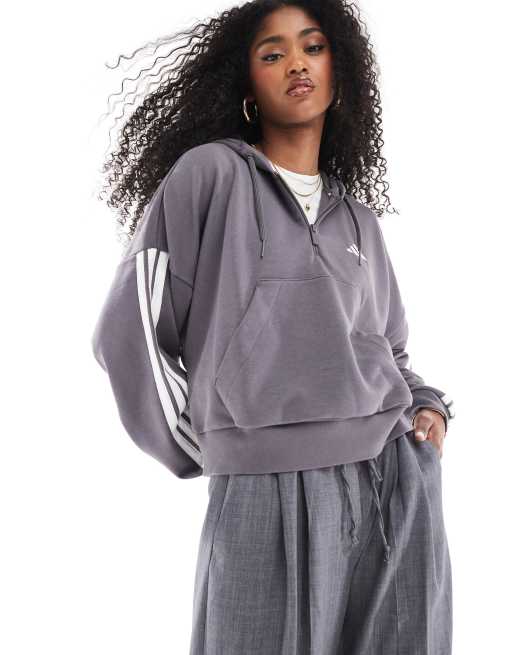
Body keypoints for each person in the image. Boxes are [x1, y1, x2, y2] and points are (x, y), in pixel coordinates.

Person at [91, 1, 456, 652]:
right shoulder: (210, 177)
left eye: (312, 47)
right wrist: (207, 442)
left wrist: (426, 406)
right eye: (272, 53)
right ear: (247, 86)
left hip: (392, 475)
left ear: (340, 73)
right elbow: (130, 329)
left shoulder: (357, 218)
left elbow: (386, 345)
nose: (296, 63)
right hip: (267, 482)